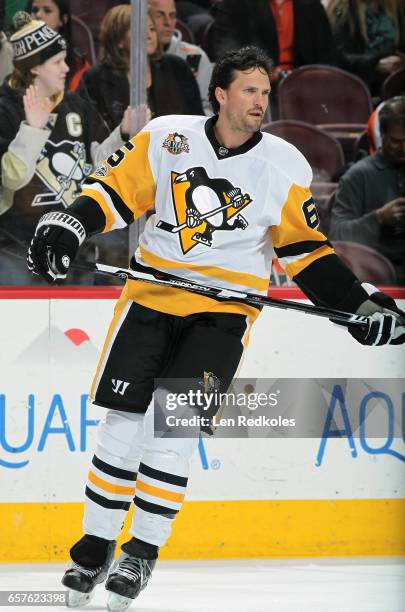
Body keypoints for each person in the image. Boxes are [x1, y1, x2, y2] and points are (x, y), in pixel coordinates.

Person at [27, 46, 405, 610]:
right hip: (151, 299)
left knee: (170, 434)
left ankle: (141, 554)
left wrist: (359, 306)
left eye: (264, 91)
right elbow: (114, 193)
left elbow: (305, 253)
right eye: (249, 90)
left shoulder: (283, 165)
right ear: (221, 94)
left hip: (222, 316)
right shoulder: (167, 137)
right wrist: (69, 222)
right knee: (122, 426)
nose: (260, 101)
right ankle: (94, 547)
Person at [0, 11, 131, 285]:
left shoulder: (76, 105)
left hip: (73, 242)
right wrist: (33, 129)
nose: (66, 68)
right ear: (35, 67)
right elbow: (12, 179)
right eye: (57, 61)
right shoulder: (5, 110)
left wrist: (123, 134)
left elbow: (99, 167)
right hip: (15, 248)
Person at [78, 5, 203, 130]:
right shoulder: (96, 78)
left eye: (152, 29)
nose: (149, 35)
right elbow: (94, 132)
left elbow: (197, 120)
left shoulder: (177, 67)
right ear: (118, 40)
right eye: (140, 30)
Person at [329, 96, 405, 284]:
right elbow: (338, 234)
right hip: (377, 278)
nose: (404, 148)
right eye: (397, 141)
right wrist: (378, 218)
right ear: (381, 135)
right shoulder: (358, 176)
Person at [327, 0, 405, 95]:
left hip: (396, 83)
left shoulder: (397, 5)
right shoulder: (342, 8)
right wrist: (376, 64)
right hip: (362, 88)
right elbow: (339, 59)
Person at [149, 0, 213, 114]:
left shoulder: (195, 55)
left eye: (172, 16)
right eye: (159, 15)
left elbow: (207, 108)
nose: (168, 22)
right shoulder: (134, 60)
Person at [27, 0, 90, 91]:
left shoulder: (79, 63)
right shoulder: (16, 56)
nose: (38, 15)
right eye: (35, 10)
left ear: (63, 19)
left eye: (47, 10)